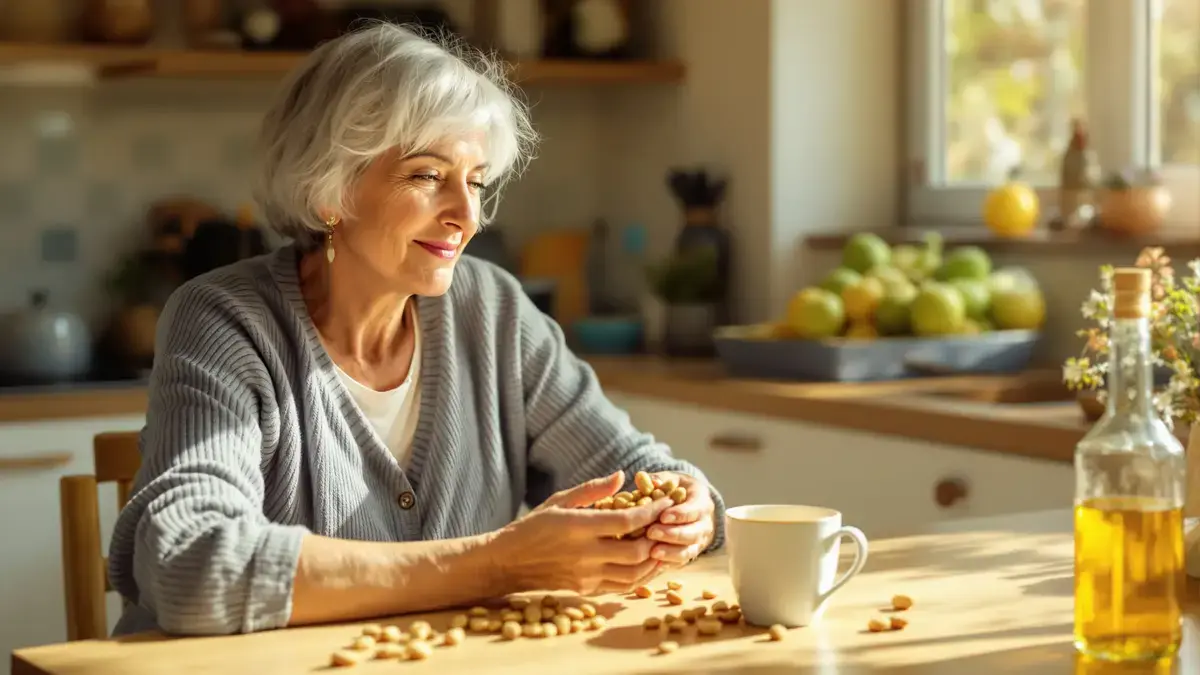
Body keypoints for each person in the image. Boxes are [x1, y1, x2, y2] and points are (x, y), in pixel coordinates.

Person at [108, 22, 726, 638]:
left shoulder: (494, 311)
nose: (467, 215)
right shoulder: (225, 320)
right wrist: (500, 564)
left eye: (477, 181)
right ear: (332, 188)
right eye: (429, 176)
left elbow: (636, 467)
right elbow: (188, 564)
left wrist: (687, 508)